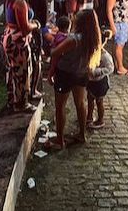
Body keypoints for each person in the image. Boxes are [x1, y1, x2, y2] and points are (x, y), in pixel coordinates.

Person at [47, 9, 103, 149]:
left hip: (66, 73)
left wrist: (55, 42)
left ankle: (60, 141)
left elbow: (55, 52)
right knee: (80, 103)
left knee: (60, 106)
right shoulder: (93, 39)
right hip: (81, 73)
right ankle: (82, 134)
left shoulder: (74, 39)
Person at [2, 0, 39, 112]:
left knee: (13, 71)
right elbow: (25, 28)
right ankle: (21, 103)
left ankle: (13, 100)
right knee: (22, 73)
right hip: (17, 42)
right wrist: (36, 25)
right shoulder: (20, 2)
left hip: (10, 38)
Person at [86, 29, 114, 129]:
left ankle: (100, 119)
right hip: (91, 81)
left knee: (99, 101)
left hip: (100, 82)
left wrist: (96, 72)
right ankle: (89, 117)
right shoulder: (92, 53)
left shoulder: (105, 56)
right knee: (90, 99)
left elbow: (110, 68)